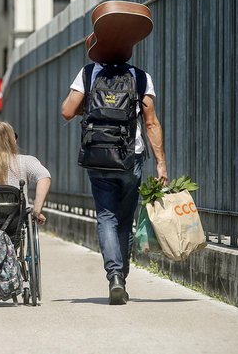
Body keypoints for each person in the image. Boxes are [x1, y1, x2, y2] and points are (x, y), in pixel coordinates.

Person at [61, 63, 167, 305]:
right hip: (131, 157)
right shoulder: (140, 77)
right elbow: (151, 123)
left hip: (97, 155)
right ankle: (122, 279)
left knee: (106, 216)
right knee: (124, 220)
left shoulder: (88, 72)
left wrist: (90, 106)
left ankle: (115, 276)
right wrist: (161, 163)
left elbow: (67, 111)